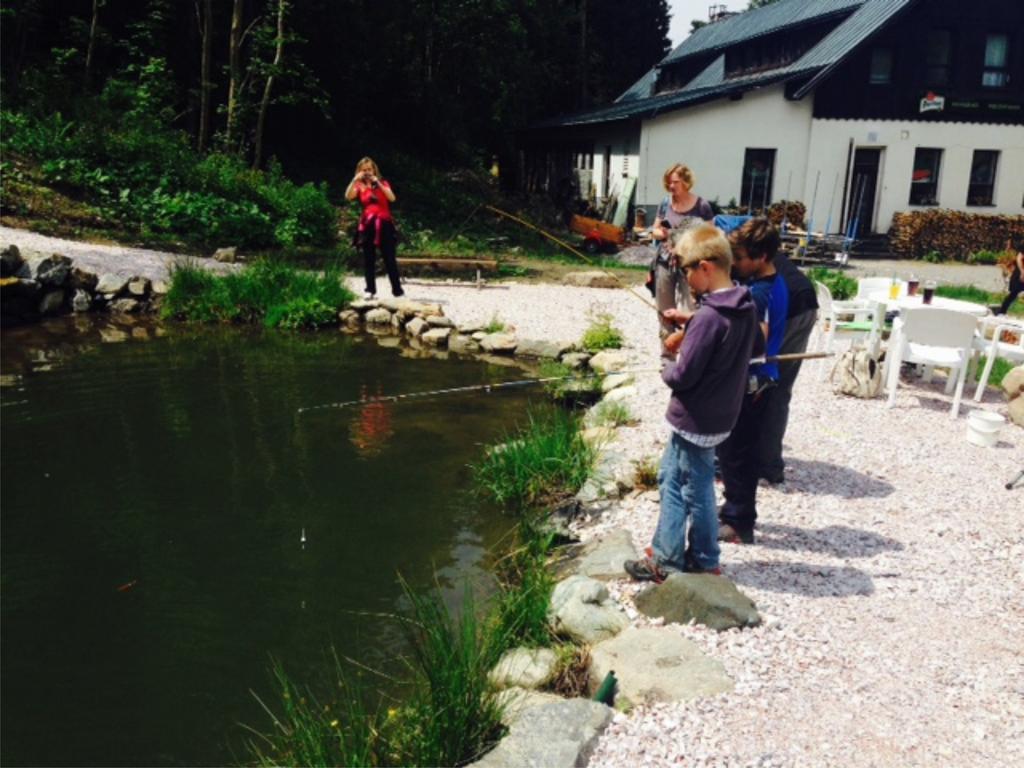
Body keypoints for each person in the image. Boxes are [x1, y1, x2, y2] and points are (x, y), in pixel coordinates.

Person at [624, 224, 762, 582]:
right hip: (719, 418)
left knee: (681, 487)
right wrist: (691, 321)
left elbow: (683, 377)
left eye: (687, 271)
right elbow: (754, 347)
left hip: (693, 419)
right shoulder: (745, 306)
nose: (685, 279)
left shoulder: (710, 318)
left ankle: (672, 560)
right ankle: (698, 555)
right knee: (678, 476)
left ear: (706, 267)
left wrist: (667, 364)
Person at [716, 218, 789, 545]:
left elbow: (756, 340)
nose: (736, 263)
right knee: (734, 452)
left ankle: (738, 522)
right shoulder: (774, 283)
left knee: (736, 454)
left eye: (741, 258)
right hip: (759, 381)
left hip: (753, 383)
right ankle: (735, 508)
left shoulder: (760, 295)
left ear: (760, 257)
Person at [756, 248, 819, 484]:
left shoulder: (728, 247)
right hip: (806, 302)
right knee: (778, 389)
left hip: (789, 307)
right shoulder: (743, 231)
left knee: (760, 385)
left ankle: (757, 463)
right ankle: (769, 464)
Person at [650, 164, 714, 358]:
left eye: (675, 182)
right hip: (664, 261)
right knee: (664, 310)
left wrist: (687, 241)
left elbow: (712, 235)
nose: (671, 186)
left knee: (690, 310)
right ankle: (667, 355)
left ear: (686, 182)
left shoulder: (701, 205)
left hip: (690, 264)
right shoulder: (664, 203)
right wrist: (661, 233)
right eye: (668, 182)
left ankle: (689, 355)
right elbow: (653, 230)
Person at [345, 156, 404, 298]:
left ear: (374, 169)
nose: (367, 172)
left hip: (384, 224)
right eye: (364, 170)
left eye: (369, 169)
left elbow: (392, 198)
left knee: (389, 258)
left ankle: (397, 291)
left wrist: (377, 181)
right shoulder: (359, 186)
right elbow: (348, 196)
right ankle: (370, 290)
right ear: (359, 171)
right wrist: (354, 179)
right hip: (367, 225)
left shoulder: (383, 182)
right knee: (368, 258)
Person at [996, 237, 1023, 315]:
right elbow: (1019, 258)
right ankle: (1001, 313)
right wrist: (1022, 271)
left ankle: (1001, 312)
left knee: (1013, 294)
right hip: (1021, 273)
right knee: (1013, 293)